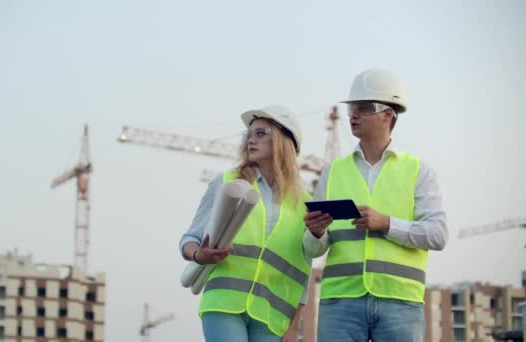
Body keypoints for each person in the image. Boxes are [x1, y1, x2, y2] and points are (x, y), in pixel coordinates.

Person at [303, 69, 448, 342]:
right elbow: (312, 249)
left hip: (400, 302)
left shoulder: (419, 171)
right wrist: (315, 233)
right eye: (352, 108)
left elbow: (438, 235)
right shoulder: (332, 172)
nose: (353, 114)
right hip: (340, 302)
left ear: (389, 114)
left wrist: (387, 223)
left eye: (365, 107)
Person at [180, 106, 313, 342]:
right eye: (249, 135)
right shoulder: (227, 183)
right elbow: (188, 239)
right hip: (225, 305)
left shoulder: (303, 203)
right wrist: (199, 254)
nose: (251, 140)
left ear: (284, 141)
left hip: (273, 317)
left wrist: (294, 327)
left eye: (261, 133)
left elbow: (304, 270)